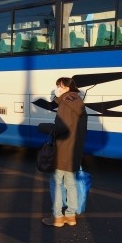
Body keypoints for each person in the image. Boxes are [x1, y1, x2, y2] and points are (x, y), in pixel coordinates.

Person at [39, 77, 87, 228]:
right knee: (71, 184)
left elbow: (61, 127)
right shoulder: (78, 102)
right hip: (75, 150)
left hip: (63, 151)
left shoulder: (65, 104)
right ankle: (71, 216)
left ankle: (58, 217)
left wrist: (43, 127)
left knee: (57, 183)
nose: (57, 88)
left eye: (60, 86)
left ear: (67, 88)